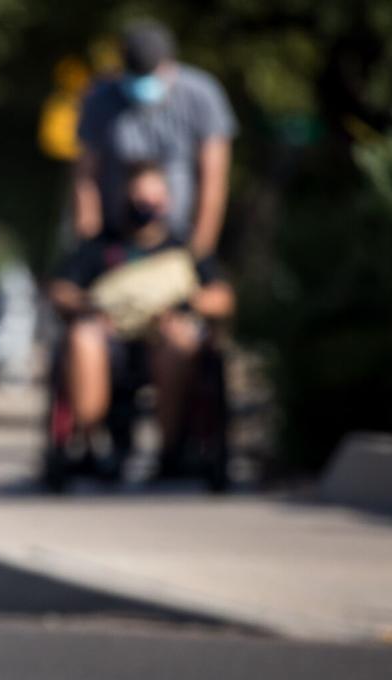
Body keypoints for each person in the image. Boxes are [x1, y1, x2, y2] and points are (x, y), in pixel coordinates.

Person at [49, 162, 234, 474]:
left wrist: (185, 306)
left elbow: (222, 298)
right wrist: (91, 307)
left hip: (162, 341)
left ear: (168, 201)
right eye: (139, 197)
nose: (146, 205)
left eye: (154, 197)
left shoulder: (185, 249)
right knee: (83, 337)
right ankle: (92, 442)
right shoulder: (100, 246)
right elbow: (60, 290)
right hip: (112, 344)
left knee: (180, 341)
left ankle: (171, 449)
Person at [72, 19, 236, 260]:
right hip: (114, 238)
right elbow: (85, 175)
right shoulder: (100, 98)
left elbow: (214, 179)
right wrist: (88, 243)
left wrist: (200, 250)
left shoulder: (202, 95)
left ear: (169, 64)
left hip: (176, 238)